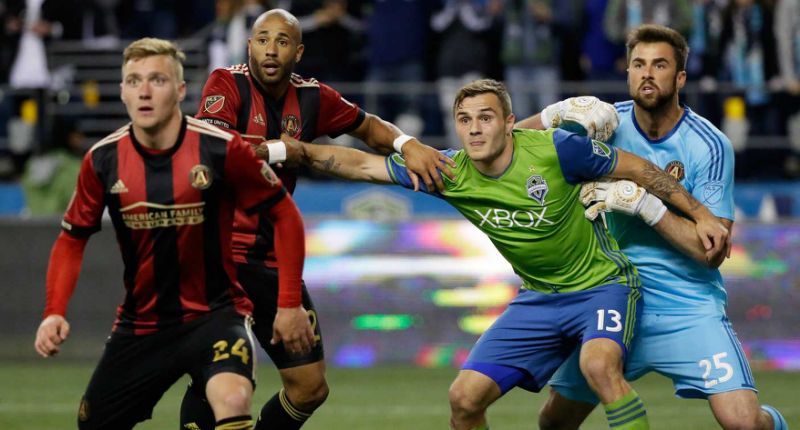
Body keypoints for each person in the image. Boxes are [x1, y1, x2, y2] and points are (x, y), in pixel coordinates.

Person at [270, 78, 730, 430]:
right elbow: (360, 165)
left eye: (486, 117)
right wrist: (284, 151)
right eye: (465, 119)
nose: (474, 129)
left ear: (509, 122)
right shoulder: (450, 171)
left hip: (603, 287)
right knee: (464, 400)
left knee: (598, 367)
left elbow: (641, 169)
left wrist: (701, 214)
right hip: (539, 299)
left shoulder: (557, 149)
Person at [182, 8, 454, 430]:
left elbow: (368, 127)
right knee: (216, 375)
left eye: (283, 41)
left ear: (299, 52)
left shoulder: (312, 97)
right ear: (250, 44)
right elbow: (215, 152)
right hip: (219, 257)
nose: (271, 50)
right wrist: (280, 150)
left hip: (272, 259)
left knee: (310, 387)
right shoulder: (226, 83)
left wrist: (407, 143)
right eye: (263, 39)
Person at [516, 24, 789, 429]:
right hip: (613, 300)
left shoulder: (709, 145)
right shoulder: (602, 125)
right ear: (627, 73)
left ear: (679, 78)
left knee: (745, 424)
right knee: (553, 423)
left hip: (687, 305)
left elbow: (708, 252)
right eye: (638, 64)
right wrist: (551, 115)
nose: (647, 73)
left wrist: (644, 204)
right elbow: (509, 148)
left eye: (659, 65)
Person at [32, 37, 307, 430]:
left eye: (157, 80)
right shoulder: (102, 160)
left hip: (216, 315)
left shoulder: (221, 149)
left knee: (232, 398)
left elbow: (285, 214)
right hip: (142, 325)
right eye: (133, 80)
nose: (144, 91)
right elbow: (72, 239)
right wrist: (53, 311)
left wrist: (289, 303)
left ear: (180, 91)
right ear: (123, 91)